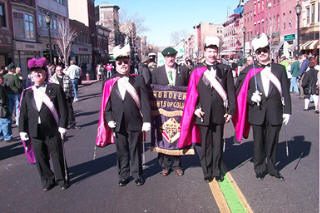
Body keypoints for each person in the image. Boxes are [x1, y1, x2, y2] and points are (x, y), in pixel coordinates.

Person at [234, 33, 291, 180]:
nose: (262, 54)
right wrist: (251, 98)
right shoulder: (248, 71)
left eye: (264, 51)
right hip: (257, 112)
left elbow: (285, 90)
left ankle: (272, 167)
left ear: (269, 51)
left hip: (275, 111)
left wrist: (288, 111)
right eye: (259, 52)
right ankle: (259, 168)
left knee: (273, 142)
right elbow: (239, 93)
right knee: (258, 143)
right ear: (255, 54)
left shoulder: (279, 69)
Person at [178, 37, 235, 182]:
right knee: (205, 145)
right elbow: (192, 93)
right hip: (202, 113)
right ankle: (207, 171)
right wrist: (195, 109)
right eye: (209, 51)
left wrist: (231, 111)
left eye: (214, 51)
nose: (212, 54)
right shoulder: (196, 70)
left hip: (220, 113)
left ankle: (217, 171)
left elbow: (231, 92)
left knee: (217, 143)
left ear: (217, 52)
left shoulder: (225, 69)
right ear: (204, 52)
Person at [96, 44, 151, 186]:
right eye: (119, 63)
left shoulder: (138, 80)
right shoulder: (109, 83)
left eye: (125, 62)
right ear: (115, 64)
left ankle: (137, 174)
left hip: (135, 122)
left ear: (129, 63)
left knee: (135, 149)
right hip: (118, 122)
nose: (123, 65)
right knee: (122, 151)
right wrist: (109, 119)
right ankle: (123, 175)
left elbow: (145, 102)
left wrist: (146, 120)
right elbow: (106, 105)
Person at [19, 57, 69, 191]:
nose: (37, 74)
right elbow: (23, 113)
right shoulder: (27, 92)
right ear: (31, 75)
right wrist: (22, 130)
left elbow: (64, 109)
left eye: (40, 71)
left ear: (45, 73)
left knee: (56, 154)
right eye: (34, 72)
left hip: (52, 129)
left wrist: (63, 126)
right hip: (35, 130)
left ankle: (61, 179)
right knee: (40, 157)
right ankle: (47, 180)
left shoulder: (55, 88)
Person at [151, 47, 190, 177]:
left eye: (172, 56)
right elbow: (152, 91)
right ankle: (165, 165)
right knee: (164, 137)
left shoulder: (183, 70)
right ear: (164, 58)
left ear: (175, 57)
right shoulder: (156, 72)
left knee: (178, 137)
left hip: (179, 111)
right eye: (168, 57)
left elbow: (189, 89)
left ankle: (178, 165)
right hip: (162, 112)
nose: (170, 59)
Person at [50, 65, 80, 129]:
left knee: (70, 110)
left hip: (66, 96)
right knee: (59, 111)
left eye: (60, 70)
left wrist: (72, 96)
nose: (59, 71)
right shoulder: (52, 79)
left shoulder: (66, 77)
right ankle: (61, 125)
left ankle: (72, 124)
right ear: (55, 71)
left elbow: (71, 87)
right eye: (58, 70)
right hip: (57, 98)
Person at [0, 74, 11, 142]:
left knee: (1, 122)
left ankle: (1, 136)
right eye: (2, 79)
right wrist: (4, 104)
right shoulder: (0, 88)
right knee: (5, 122)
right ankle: (7, 137)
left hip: (1, 106)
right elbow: (2, 99)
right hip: (2, 107)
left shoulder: (2, 87)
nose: (3, 80)